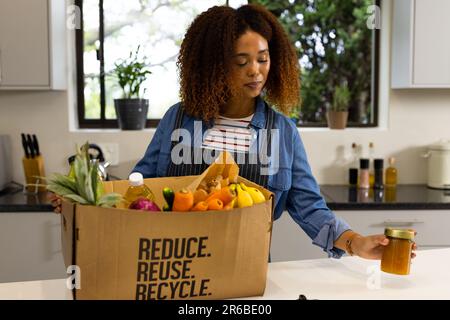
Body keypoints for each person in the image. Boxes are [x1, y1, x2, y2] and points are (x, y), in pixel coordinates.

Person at [53, 4, 415, 260]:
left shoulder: (282, 131)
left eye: (262, 58)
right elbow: (139, 186)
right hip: (173, 267)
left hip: (247, 267)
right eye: (241, 62)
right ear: (213, 66)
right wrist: (87, 201)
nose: (255, 71)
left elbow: (309, 207)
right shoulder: (178, 119)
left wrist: (354, 243)